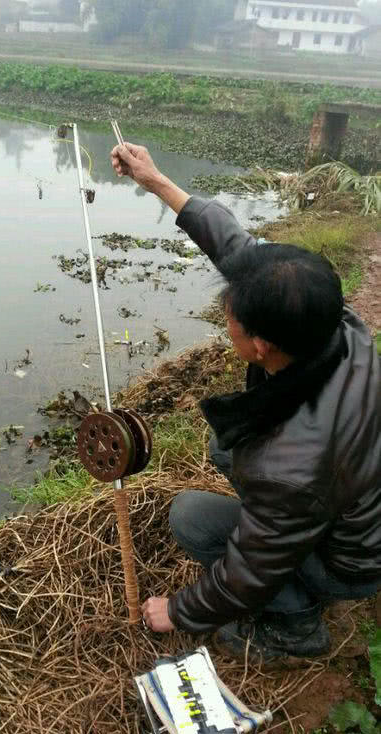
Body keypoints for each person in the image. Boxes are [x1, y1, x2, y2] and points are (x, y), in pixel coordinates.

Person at [110, 142, 381, 661]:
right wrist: (157, 180)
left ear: (260, 345)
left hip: (356, 558)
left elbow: (251, 569)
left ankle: (297, 626)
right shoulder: (334, 323)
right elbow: (240, 248)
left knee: (190, 517)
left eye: (230, 318)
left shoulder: (291, 465)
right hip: (358, 498)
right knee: (225, 446)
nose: (225, 318)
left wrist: (182, 609)